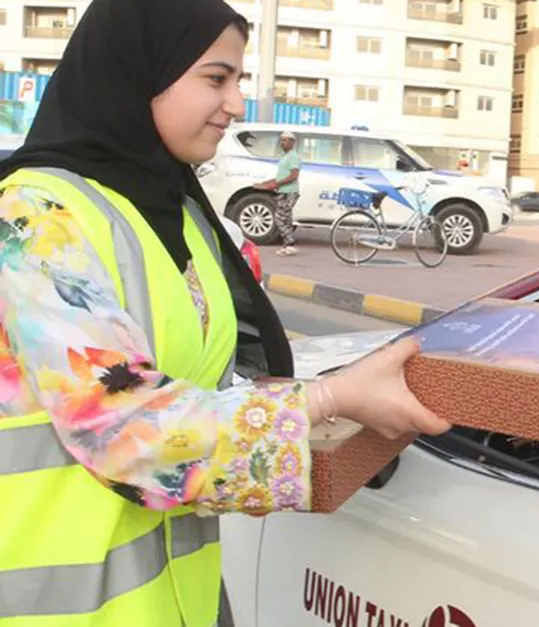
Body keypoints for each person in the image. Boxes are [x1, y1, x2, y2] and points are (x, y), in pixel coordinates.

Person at [0, 1, 449, 624]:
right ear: (138, 72)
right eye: (216, 79)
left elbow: (211, 386)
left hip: (176, 600)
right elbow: (126, 431)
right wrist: (325, 401)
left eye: (237, 80)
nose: (237, 104)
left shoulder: (179, 212)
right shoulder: (34, 222)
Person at [254, 130, 301, 256]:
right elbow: (281, 176)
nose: (282, 143)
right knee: (286, 219)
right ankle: (288, 245)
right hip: (283, 191)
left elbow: (294, 176)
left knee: (280, 217)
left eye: (285, 140)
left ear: (292, 142)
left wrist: (277, 184)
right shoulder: (284, 157)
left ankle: (290, 244)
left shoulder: (293, 156)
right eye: (281, 140)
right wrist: (266, 183)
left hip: (289, 192)